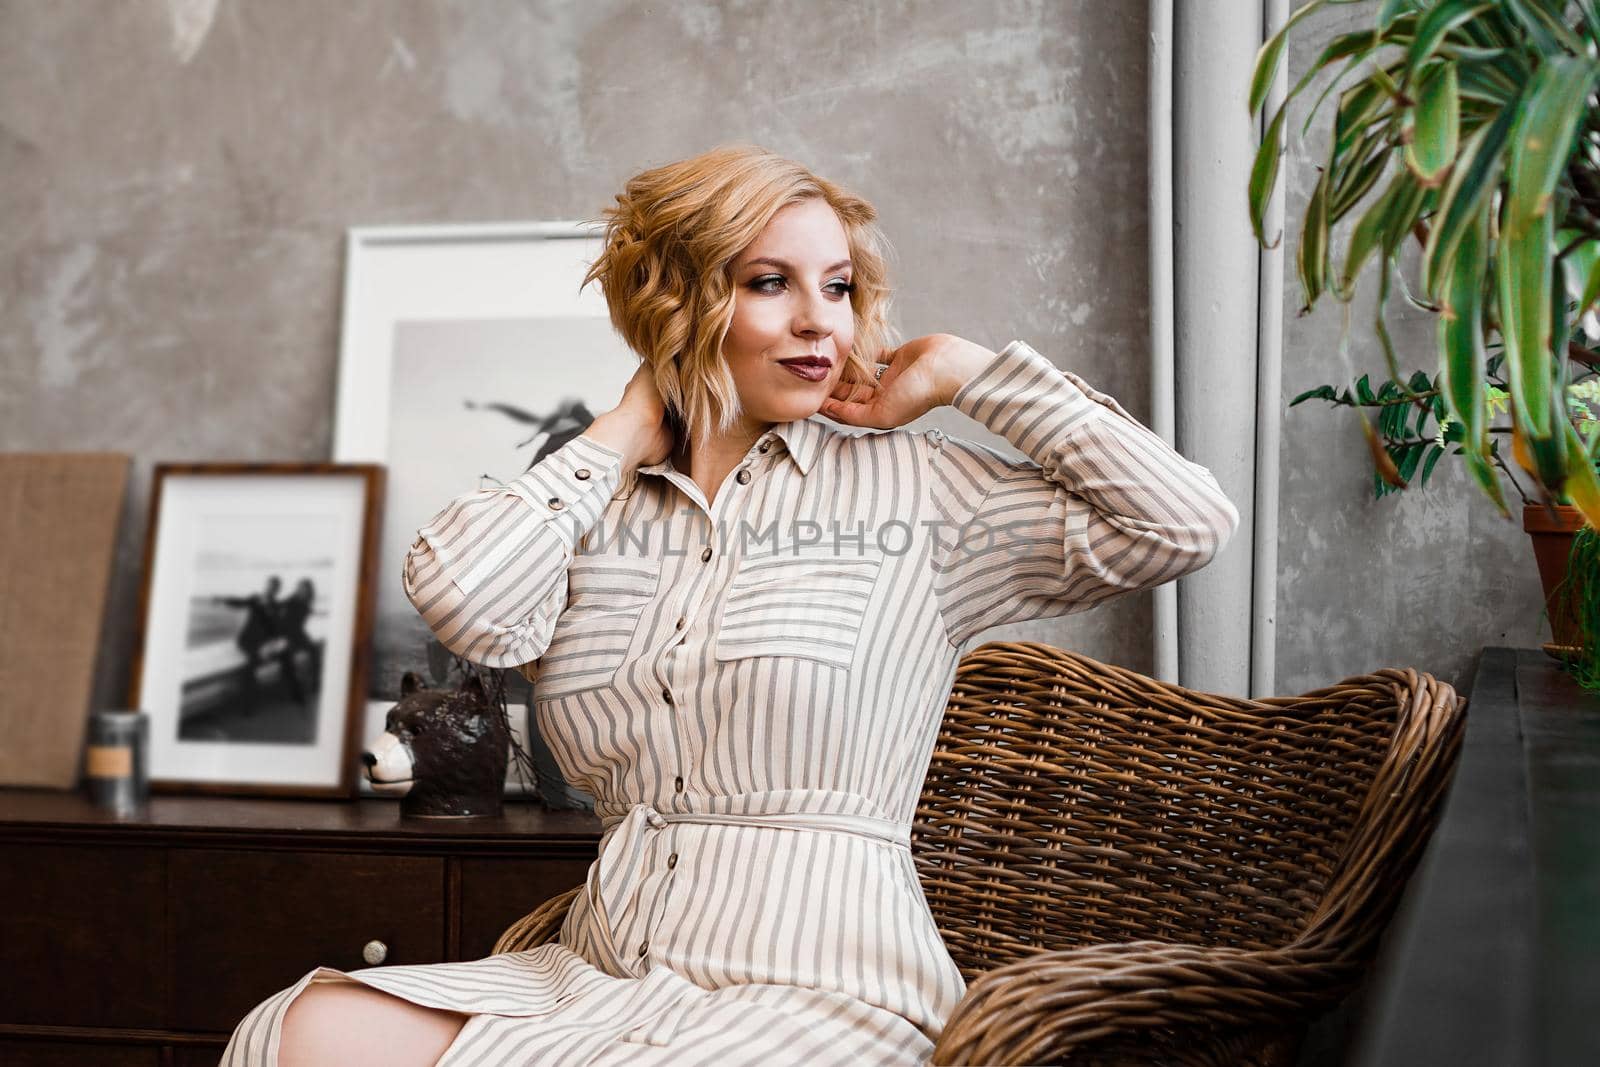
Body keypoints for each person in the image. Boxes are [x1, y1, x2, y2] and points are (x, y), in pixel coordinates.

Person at [221, 144, 1240, 1067]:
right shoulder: (596, 503)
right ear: (678, 304)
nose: (819, 320)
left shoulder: (917, 492)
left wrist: (966, 374)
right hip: (604, 975)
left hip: (823, 993)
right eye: (770, 283)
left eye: (838, 288)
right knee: (294, 1029)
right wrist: (619, 429)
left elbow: (1182, 522)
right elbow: (471, 606)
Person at [213, 575, 283, 699]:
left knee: (275, 656)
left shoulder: (276, 606)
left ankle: (254, 692)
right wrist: (222, 599)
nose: (270, 589)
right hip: (246, 640)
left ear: (277, 591)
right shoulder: (256, 599)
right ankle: (249, 698)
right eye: (269, 586)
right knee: (253, 661)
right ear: (266, 586)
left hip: (262, 642)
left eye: (274, 588)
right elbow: (240, 602)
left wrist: (273, 643)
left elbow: (276, 629)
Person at [274, 578, 320, 707]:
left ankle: (315, 684)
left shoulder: (307, 602)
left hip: (298, 633)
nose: (302, 591)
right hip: (287, 634)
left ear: (309, 590)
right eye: (300, 588)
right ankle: (287, 691)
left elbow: (303, 616)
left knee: (314, 651)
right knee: (290, 656)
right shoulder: (291, 600)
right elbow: (278, 608)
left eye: (304, 589)